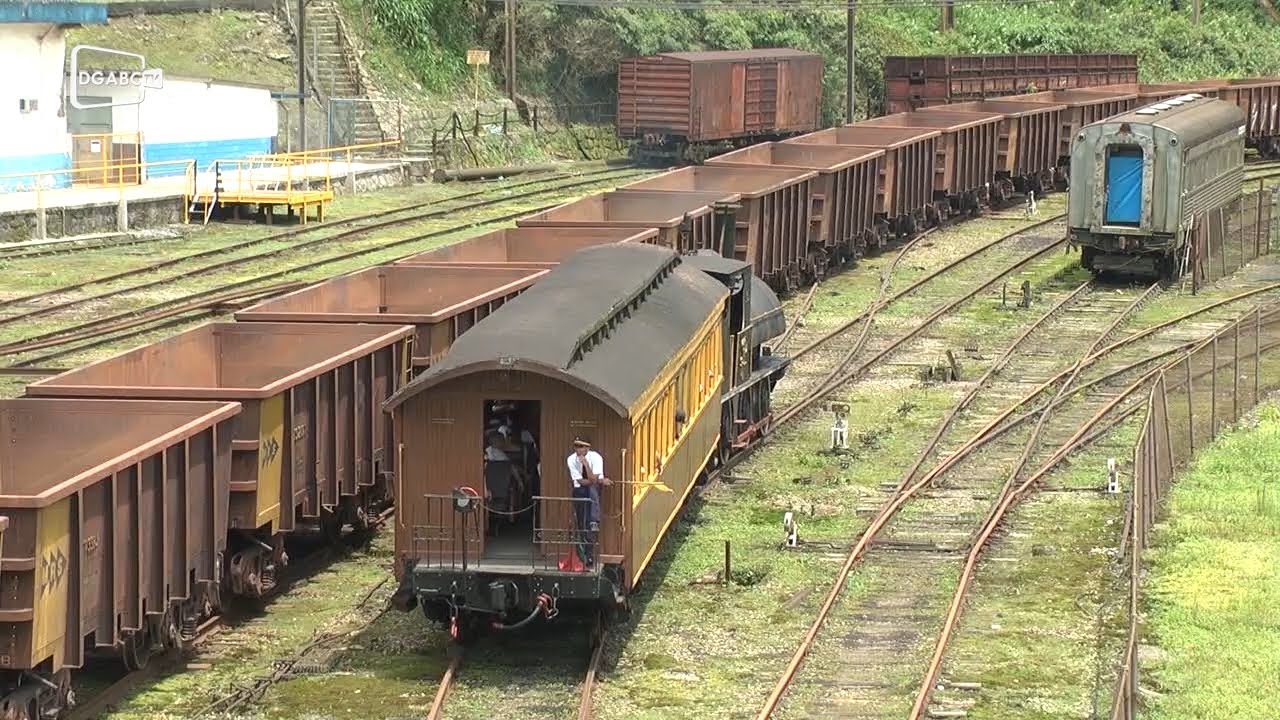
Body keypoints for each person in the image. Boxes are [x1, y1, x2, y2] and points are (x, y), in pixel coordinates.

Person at [566, 436, 610, 567]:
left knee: (592, 490)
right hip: (580, 489)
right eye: (576, 446)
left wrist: (586, 464)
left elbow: (593, 480)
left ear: (587, 448)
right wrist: (598, 480)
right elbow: (580, 481)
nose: (578, 450)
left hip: (593, 490)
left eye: (581, 446)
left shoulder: (596, 457)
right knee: (582, 523)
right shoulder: (571, 459)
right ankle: (585, 553)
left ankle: (594, 521)